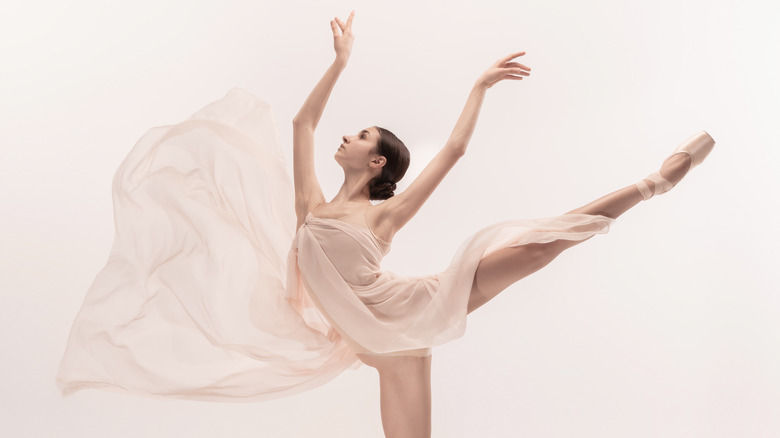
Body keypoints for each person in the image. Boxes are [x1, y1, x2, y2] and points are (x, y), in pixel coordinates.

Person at [55, 10, 714, 438]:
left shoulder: (386, 213)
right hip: (375, 342)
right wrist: (339, 62)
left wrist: (479, 86)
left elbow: (453, 153)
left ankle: (653, 181)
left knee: (537, 250)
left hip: (412, 307)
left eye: (360, 133)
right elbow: (302, 124)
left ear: (375, 161)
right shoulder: (313, 205)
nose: (344, 135)